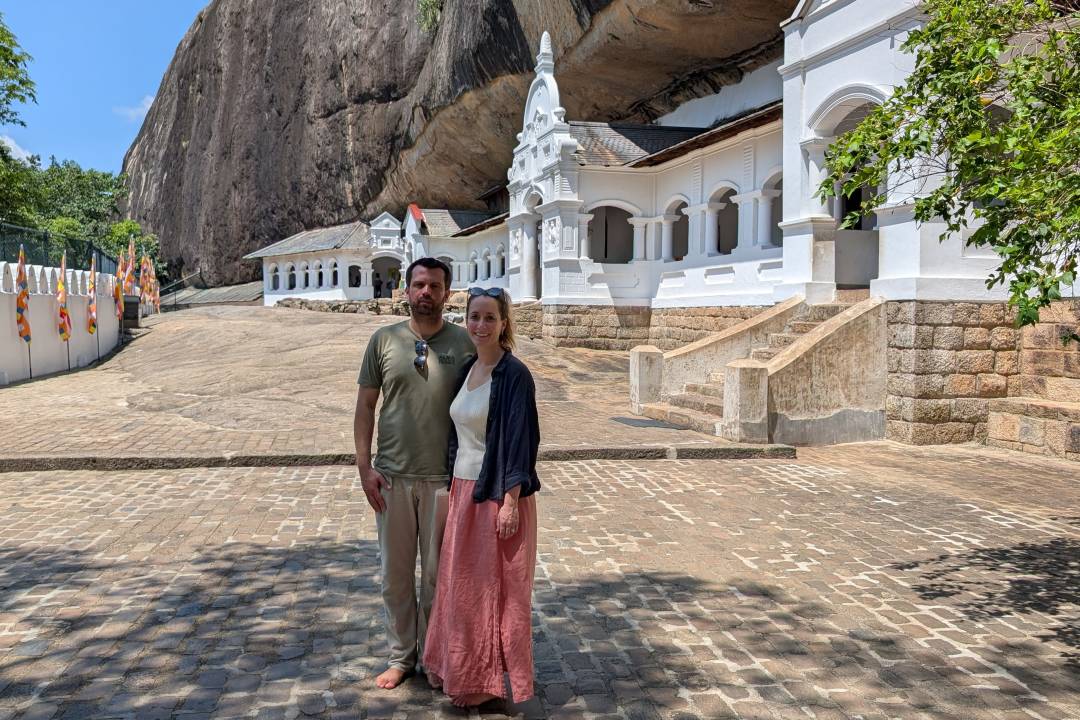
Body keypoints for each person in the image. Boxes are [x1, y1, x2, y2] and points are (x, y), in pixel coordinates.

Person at [354, 257, 475, 690]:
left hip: (445, 479)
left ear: (447, 292)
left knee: (439, 577)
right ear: (406, 291)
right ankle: (401, 656)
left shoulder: (464, 344)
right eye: (419, 285)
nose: (426, 292)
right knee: (396, 574)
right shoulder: (384, 341)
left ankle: (436, 655)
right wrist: (364, 466)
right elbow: (366, 405)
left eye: (435, 286)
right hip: (392, 477)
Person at [424, 287, 542, 707]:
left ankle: (485, 681)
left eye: (490, 317)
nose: (481, 325)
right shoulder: (470, 369)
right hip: (463, 493)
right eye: (474, 316)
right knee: (462, 589)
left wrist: (510, 502)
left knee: (496, 593)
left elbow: (519, 442)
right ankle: (459, 669)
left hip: (495, 494)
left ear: (504, 323)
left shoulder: (515, 376)